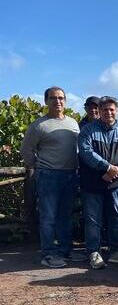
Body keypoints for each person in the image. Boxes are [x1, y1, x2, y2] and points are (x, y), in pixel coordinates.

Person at [20, 86, 80, 268]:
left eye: (61, 98)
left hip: (70, 174)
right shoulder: (39, 125)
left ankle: (65, 251)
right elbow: (26, 150)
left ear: (65, 101)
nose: (58, 101)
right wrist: (39, 166)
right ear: (46, 101)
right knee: (48, 217)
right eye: (53, 98)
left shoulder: (73, 123)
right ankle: (48, 254)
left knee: (65, 216)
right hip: (49, 176)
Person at [78, 96, 118, 269]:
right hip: (93, 183)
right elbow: (85, 152)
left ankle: (116, 251)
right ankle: (93, 252)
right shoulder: (88, 130)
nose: (108, 112)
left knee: (116, 217)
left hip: (116, 183)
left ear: (116, 111)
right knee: (92, 219)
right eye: (105, 109)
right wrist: (107, 167)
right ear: (100, 111)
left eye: (111, 109)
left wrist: (116, 170)